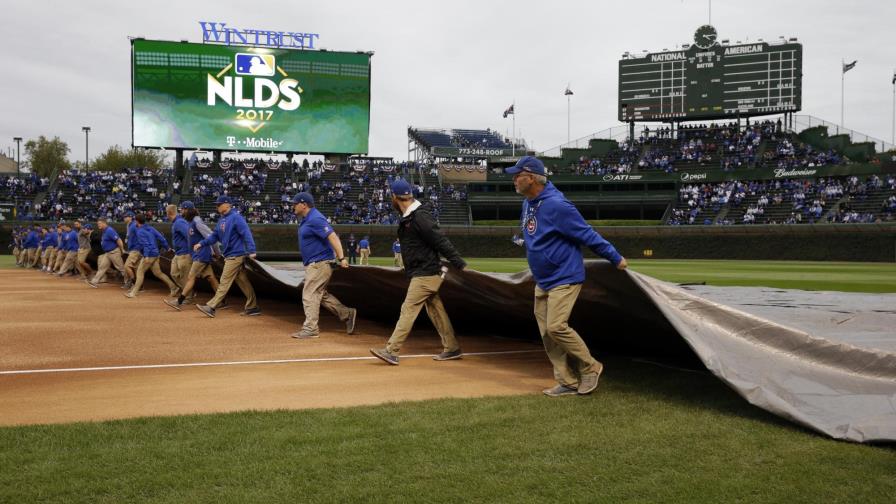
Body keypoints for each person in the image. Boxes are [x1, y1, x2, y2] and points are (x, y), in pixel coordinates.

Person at [506, 156, 628, 397]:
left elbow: (587, 234)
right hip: (543, 279)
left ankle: (591, 367)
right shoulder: (528, 203)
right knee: (546, 333)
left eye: (517, 175)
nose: (514, 180)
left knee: (556, 327)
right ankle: (567, 381)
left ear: (532, 178)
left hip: (564, 275)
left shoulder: (558, 205)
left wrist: (615, 257)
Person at [370, 179, 466, 365]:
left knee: (408, 308)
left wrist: (458, 262)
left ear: (394, 197)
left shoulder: (420, 216)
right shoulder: (410, 216)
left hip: (426, 272)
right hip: (423, 271)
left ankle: (391, 350)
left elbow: (439, 240)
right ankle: (452, 347)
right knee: (436, 311)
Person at [290, 192, 357, 339]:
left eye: (295, 203)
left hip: (319, 263)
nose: (293, 206)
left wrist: (342, 257)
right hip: (316, 263)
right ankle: (347, 313)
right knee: (320, 294)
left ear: (304, 204)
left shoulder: (315, 218)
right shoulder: (307, 219)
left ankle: (310, 328)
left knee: (309, 294)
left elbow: (333, 237)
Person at [194, 195, 260, 317]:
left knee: (224, 281)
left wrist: (252, 250)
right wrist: (202, 243)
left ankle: (211, 307)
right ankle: (253, 307)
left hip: (236, 255)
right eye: (217, 205)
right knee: (243, 281)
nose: (217, 206)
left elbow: (246, 233)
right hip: (230, 255)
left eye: (219, 204)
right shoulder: (222, 220)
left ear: (227, 205)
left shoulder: (236, 217)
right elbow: (214, 236)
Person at [164, 201, 227, 310]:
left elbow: (211, 236)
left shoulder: (196, 221)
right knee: (210, 277)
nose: (181, 212)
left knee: (190, 278)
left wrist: (217, 253)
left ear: (188, 210)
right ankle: (222, 301)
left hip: (201, 255)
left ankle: (179, 301)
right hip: (199, 255)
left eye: (183, 210)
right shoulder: (190, 222)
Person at [125, 214, 179, 299]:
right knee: (158, 273)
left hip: (149, 255)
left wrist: (146, 255)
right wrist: (167, 247)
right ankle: (174, 287)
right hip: (156, 254)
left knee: (140, 272)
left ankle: (133, 293)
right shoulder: (151, 228)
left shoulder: (140, 231)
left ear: (137, 221)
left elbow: (146, 245)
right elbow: (161, 238)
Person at [88, 218, 127, 288]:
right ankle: (94, 282)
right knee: (102, 267)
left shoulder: (110, 230)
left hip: (114, 252)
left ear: (104, 223)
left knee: (121, 268)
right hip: (107, 253)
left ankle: (129, 282)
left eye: (99, 224)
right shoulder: (104, 231)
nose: (98, 225)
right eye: (98, 224)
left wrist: (122, 249)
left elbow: (118, 240)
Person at [167, 203, 191, 298]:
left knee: (184, 276)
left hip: (184, 253)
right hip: (178, 253)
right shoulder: (176, 222)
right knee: (174, 273)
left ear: (169, 213)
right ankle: (188, 292)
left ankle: (188, 296)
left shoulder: (179, 222)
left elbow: (189, 236)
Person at [122, 212, 142, 290]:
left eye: (126, 217)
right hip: (133, 249)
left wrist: (138, 247)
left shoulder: (134, 225)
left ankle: (133, 283)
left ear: (130, 217)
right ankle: (139, 286)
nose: (124, 218)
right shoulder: (129, 225)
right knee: (136, 268)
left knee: (127, 266)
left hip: (136, 249)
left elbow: (140, 235)